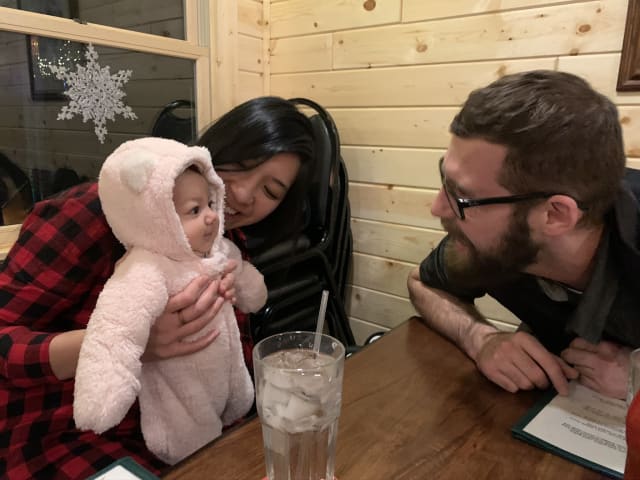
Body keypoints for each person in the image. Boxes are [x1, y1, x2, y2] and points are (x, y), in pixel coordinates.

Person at [0, 96, 315, 479]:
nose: (245, 194)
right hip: (66, 430)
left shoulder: (224, 241)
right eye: (243, 165)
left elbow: (229, 351)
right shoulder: (95, 213)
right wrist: (129, 341)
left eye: (271, 191)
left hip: (187, 430)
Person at [408, 70, 640, 401]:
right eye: (445, 181)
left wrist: (636, 379)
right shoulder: (494, 246)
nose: (437, 208)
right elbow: (423, 283)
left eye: (461, 195)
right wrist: (480, 338)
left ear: (555, 215)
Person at [74, 138, 267, 465]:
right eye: (194, 210)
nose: (212, 216)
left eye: (210, 204)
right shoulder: (147, 269)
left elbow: (246, 279)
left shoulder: (219, 249)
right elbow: (116, 329)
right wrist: (102, 395)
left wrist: (246, 287)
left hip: (230, 372)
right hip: (179, 396)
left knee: (239, 410)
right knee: (198, 451)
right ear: (157, 217)